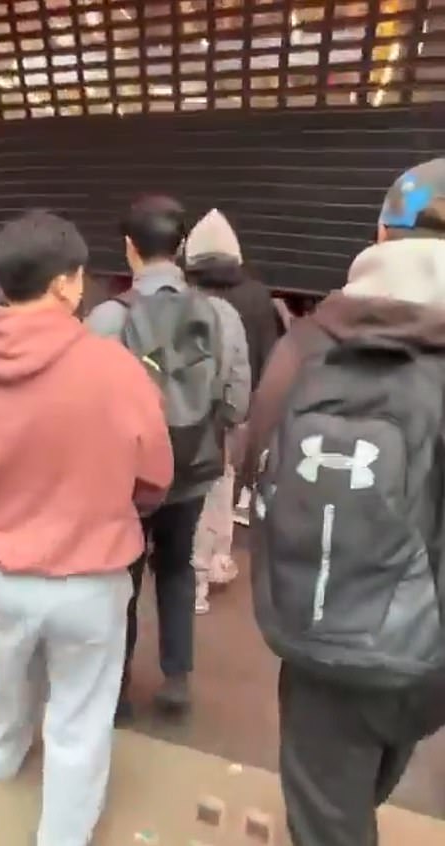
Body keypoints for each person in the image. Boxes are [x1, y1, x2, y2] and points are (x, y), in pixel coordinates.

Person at [0, 210, 173, 846]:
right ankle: (62, 833)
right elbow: (155, 478)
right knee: (80, 713)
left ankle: (7, 755)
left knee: (11, 668)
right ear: (65, 283)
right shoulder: (115, 369)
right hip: (90, 577)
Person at [244, 158, 445, 846]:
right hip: (430, 643)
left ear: (380, 235)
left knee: (328, 812)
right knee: (383, 750)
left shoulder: (305, 346)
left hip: (322, 632)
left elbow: (256, 458)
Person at [88, 195, 250, 714]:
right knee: (178, 568)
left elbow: (87, 409)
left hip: (127, 478)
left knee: (123, 578)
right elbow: (237, 403)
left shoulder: (106, 319)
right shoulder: (221, 316)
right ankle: (176, 679)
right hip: (193, 469)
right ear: (181, 248)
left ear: (129, 247)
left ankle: (116, 690)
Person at [185, 209, 252, 613]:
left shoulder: (164, 307)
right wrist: (231, 421)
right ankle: (199, 582)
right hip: (210, 429)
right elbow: (238, 387)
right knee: (211, 500)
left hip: (166, 426)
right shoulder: (228, 317)